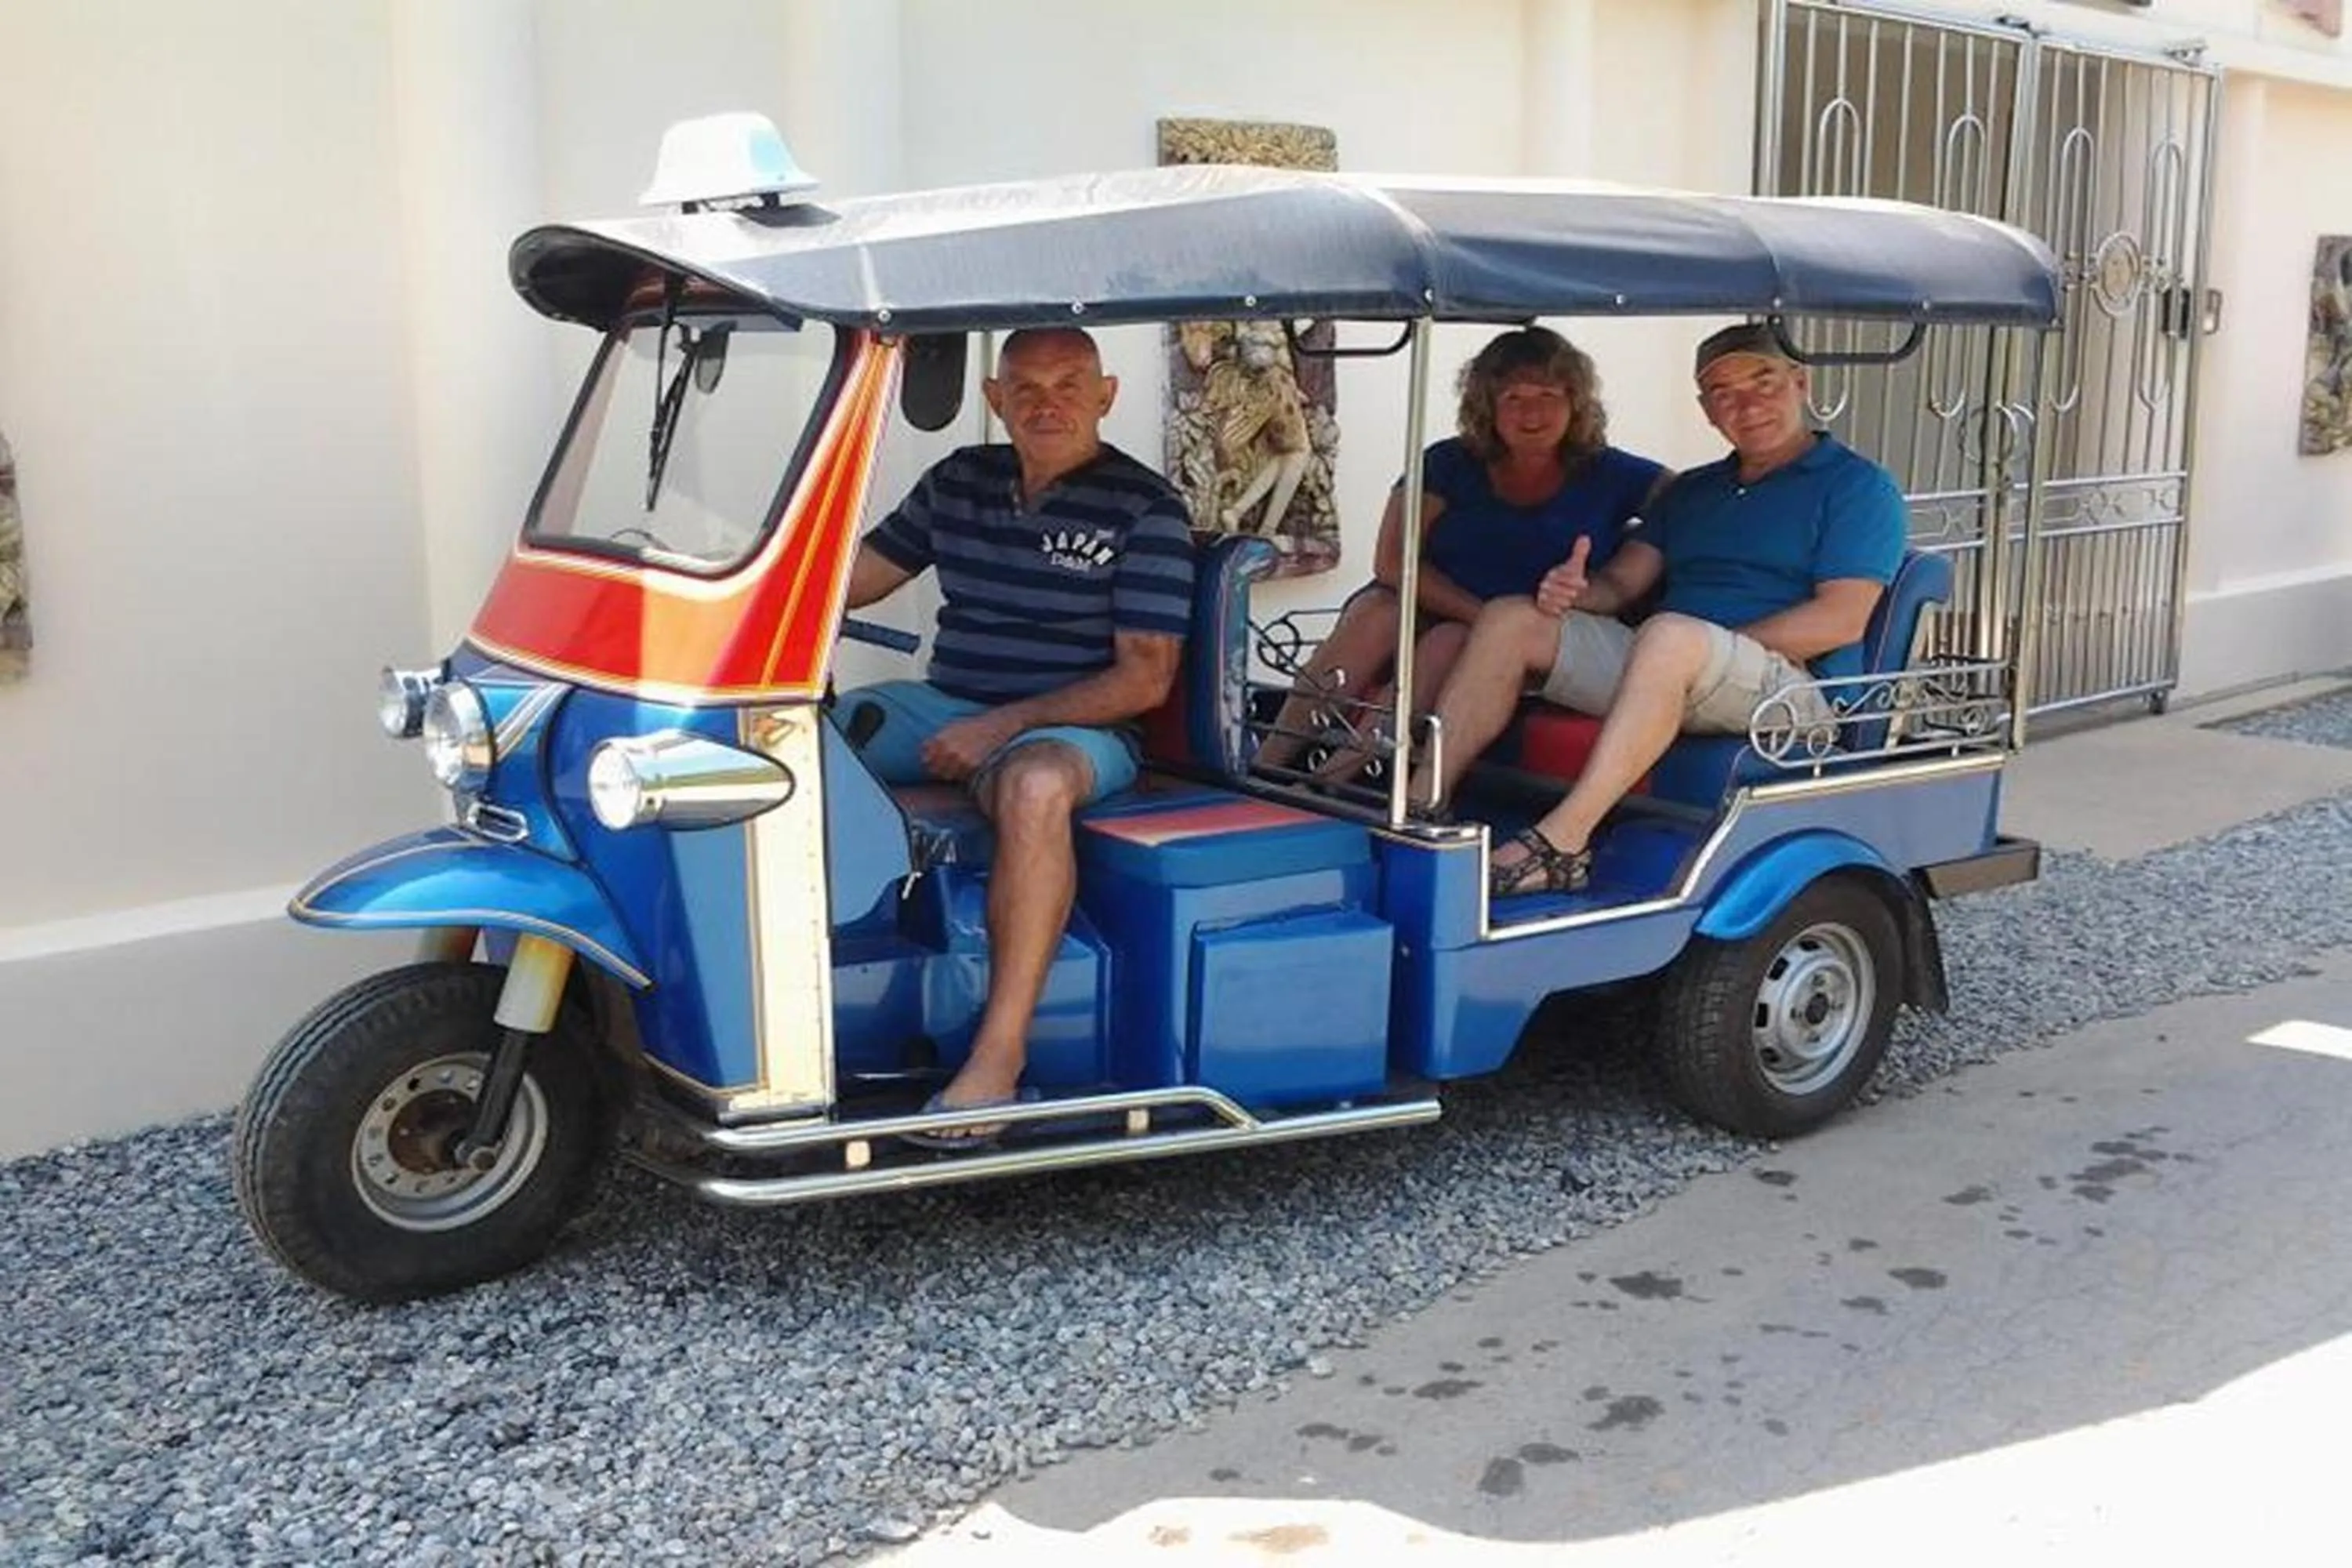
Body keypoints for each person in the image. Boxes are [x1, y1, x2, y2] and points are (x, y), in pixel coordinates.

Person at [839, 327, 1196, 1142]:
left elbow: (1145, 680)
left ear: (1106, 396)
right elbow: (854, 579)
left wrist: (1003, 724)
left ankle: (998, 1058)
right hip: (949, 702)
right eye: (1026, 388)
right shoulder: (959, 479)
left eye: (1069, 384)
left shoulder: (1146, 508)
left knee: (1033, 787)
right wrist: (737, 582)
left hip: (1080, 727)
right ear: (994, 399)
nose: (1047, 404)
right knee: (793, 739)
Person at [1406, 321, 1907, 898]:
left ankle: (1564, 844)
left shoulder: (1857, 486)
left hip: (1788, 686)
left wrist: (1706, 648)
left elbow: (1840, 619)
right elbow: (1622, 583)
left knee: (1669, 637)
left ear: (1800, 383)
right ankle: (1421, 806)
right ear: (1707, 410)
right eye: (1723, 393)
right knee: (1509, 618)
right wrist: (1576, 592)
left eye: (1763, 382)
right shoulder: (1693, 490)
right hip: (1670, 663)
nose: (1747, 406)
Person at [1254, 327, 1668, 782]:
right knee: (1379, 612)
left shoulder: (1613, 473)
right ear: (1487, 406)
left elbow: (1690, 499)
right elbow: (1393, 561)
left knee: (1448, 642)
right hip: (1427, 607)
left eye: (1549, 395)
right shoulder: (1448, 463)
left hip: (1519, 635)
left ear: (1576, 402)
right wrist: (1481, 614)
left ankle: (1333, 779)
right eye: (1513, 398)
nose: (1531, 413)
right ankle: (1264, 766)